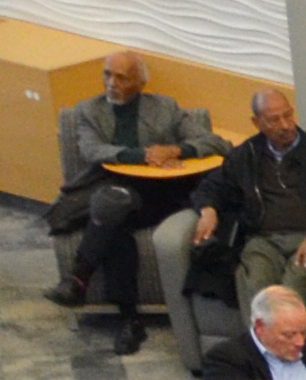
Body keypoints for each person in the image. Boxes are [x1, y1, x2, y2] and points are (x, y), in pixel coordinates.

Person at [45, 46, 211, 351]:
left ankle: (80, 280)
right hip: (115, 192)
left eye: (121, 77)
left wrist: (176, 150)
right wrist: (143, 155)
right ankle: (129, 320)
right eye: (107, 75)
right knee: (115, 221)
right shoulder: (88, 110)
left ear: (140, 82)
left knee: (111, 209)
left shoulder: (164, 107)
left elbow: (213, 142)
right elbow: (92, 150)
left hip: (161, 196)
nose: (111, 83)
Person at [193, 82, 306, 319]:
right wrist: (208, 210)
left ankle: (291, 353)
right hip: (263, 241)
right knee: (259, 295)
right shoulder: (246, 155)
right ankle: (261, 353)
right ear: (257, 123)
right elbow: (212, 186)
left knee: (290, 294)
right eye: (274, 120)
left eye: (288, 116)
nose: (285, 126)